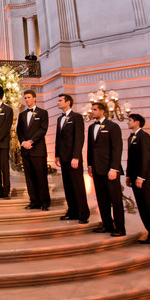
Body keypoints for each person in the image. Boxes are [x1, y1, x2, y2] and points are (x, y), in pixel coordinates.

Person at [125, 114, 150, 251]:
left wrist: (141, 177)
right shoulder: (131, 137)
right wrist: (129, 176)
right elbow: (131, 159)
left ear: (137, 122)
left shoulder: (144, 136)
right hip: (134, 177)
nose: (127, 122)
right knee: (142, 207)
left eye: (129, 120)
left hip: (144, 178)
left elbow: (146, 158)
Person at [87, 102, 125, 236]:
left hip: (110, 170)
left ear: (102, 111)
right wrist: (90, 165)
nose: (92, 112)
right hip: (97, 169)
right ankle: (107, 225)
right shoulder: (91, 128)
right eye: (92, 110)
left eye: (95, 110)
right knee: (102, 199)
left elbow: (117, 149)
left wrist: (114, 168)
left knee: (115, 199)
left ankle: (120, 228)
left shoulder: (113, 127)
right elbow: (91, 148)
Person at [55, 94, 89, 223]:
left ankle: (83, 213)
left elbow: (79, 138)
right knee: (68, 185)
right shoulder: (59, 119)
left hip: (73, 158)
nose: (58, 103)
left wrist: (76, 157)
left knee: (77, 185)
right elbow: (58, 138)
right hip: (63, 157)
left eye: (60, 101)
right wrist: (57, 155)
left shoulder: (77, 117)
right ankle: (72, 211)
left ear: (68, 102)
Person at [17, 89, 49, 210]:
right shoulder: (22, 115)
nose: (27, 100)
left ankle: (45, 202)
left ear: (34, 98)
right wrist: (23, 142)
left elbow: (43, 129)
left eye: (29, 97)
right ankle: (34, 201)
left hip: (38, 150)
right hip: (26, 151)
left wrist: (31, 141)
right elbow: (19, 131)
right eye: (25, 98)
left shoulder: (42, 113)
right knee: (29, 178)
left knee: (41, 177)